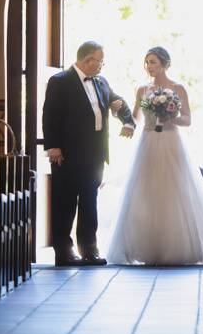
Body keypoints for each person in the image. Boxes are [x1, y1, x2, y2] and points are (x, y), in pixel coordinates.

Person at [107, 47, 203, 265]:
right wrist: (120, 114)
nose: (149, 66)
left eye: (153, 62)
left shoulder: (178, 88)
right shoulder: (142, 89)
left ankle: (177, 247)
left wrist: (169, 117)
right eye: (146, 62)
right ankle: (146, 246)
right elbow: (136, 119)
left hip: (171, 141)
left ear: (165, 64)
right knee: (145, 192)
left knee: (174, 190)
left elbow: (187, 120)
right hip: (147, 143)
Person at [42, 41, 135, 266]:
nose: (102, 65)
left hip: (95, 155)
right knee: (65, 204)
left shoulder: (101, 82)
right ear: (87, 60)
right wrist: (53, 146)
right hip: (67, 154)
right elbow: (49, 114)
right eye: (100, 61)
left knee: (89, 203)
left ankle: (89, 251)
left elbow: (118, 102)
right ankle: (64, 253)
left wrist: (128, 121)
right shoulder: (60, 81)